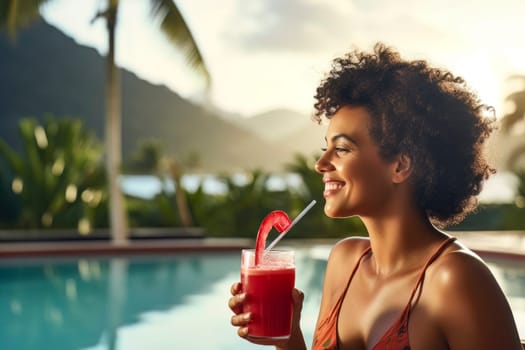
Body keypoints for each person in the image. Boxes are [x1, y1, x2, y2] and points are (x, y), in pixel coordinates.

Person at [228, 43, 523, 349]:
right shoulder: (345, 262)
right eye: (324, 148)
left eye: (342, 149)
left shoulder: (455, 279)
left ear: (400, 165)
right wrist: (287, 337)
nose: (321, 164)